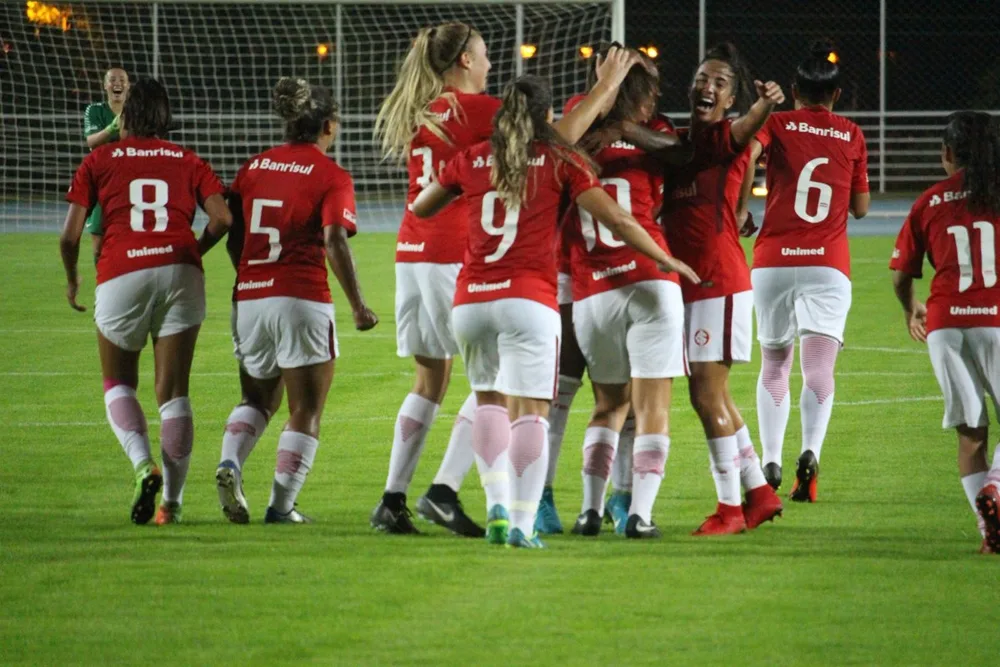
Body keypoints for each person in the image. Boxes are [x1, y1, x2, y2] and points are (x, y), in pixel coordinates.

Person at [412, 74, 698, 548]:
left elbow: (422, 207)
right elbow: (619, 218)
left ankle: (496, 505)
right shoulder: (559, 160)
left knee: (487, 404)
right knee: (531, 414)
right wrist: (664, 258)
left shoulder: (474, 157)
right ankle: (522, 523)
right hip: (528, 298)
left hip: (471, 301)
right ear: (549, 117)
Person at [622, 43, 785, 535]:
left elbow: (745, 134)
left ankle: (730, 510)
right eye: (700, 78)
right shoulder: (683, 139)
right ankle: (757, 492)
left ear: (732, 98)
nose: (705, 87)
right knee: (713, 395)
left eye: (718, 83)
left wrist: (765, 105)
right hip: (694, 284)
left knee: (705, 396)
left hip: (718, 281)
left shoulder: (723, 136)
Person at [58, 78, 231, 525]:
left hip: (121, 270)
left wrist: (72, 277)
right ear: (165, 115)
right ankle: (170, 505)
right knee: (174, 393)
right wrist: (194, 249)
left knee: (118, 384)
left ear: (125, 115)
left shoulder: (99, 158)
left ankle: (142, 464)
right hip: (181, 272)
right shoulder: (187, 159)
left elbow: (70, 234)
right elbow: (223, 218)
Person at [213, 77, 378, 524]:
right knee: (304, 409)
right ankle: (281, 507)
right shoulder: (332, 175)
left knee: (255, 398)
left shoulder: (254, 167)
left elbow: (234, 231)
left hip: (249, 297)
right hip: (301, 297)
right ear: (327, 126)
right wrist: (359, 306)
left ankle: (230, 462)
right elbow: (334, 240)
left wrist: (249, 277)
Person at [370, 22, 500, 536]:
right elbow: (551, 137)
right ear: (465, 60)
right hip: (452, 256)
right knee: (499, 376)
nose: (490, 64)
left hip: (411, 251)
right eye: (485, 55)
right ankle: (444, 490)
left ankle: (391, 500)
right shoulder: (478, 111)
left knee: (432, 378)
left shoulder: (423, 111)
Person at [739, 40, 870, 502]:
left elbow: (746, 154)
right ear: (836, 96)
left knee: (774, 364)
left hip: (773, 259)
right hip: (827, 264)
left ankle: (770, 459)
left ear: (794, 90)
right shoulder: (851, 134)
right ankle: (809, 456)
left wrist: (741, 208)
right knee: (819, 367)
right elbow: (861, 209)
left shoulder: (775, 123)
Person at [889, 111, 1000, 555]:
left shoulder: (929, 201)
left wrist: (909, 310)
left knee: (971, 432)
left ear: (948, 154)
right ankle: (996, 489)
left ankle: (989, 531)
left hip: (945, 324)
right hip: (996, 317)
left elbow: (900, 274)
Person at [82, 67, 130, 264]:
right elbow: (92, 142)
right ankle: (102, 287)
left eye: (121, 80)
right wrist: (112, 128)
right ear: (105, 85)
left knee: (131, 241)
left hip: (129, 182)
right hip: (104, 182)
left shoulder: (136, 111)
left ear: (128, 86)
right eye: (112, 80)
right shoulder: (95, 110)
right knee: (99, 245)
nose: (117, 83)